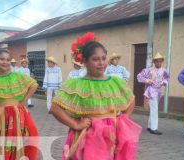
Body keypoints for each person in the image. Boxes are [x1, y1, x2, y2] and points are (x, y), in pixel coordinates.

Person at [50, 32, 142, 160]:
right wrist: (75, 124)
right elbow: (55, 108)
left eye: (103, 58)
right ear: (85, 62)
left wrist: (123, 119)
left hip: (112, 135)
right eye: (95, 59)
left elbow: (131, 100)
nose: (101, 63)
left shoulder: (115, 82)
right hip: (88, 136)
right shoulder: (76, 84)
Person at [137, 52, 170, 135]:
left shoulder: (164, 70)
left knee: (154, 108)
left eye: (160, 61)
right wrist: (146, 80)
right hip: (151, 91)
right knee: (155, 109)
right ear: (154, 62)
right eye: (156, 61)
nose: (158, 63)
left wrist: (164, 82)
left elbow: (167, 78)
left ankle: (150, 125)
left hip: (158, 91)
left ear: (162, 61)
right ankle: (153, 128)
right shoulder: (149, 70)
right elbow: (139, 76)